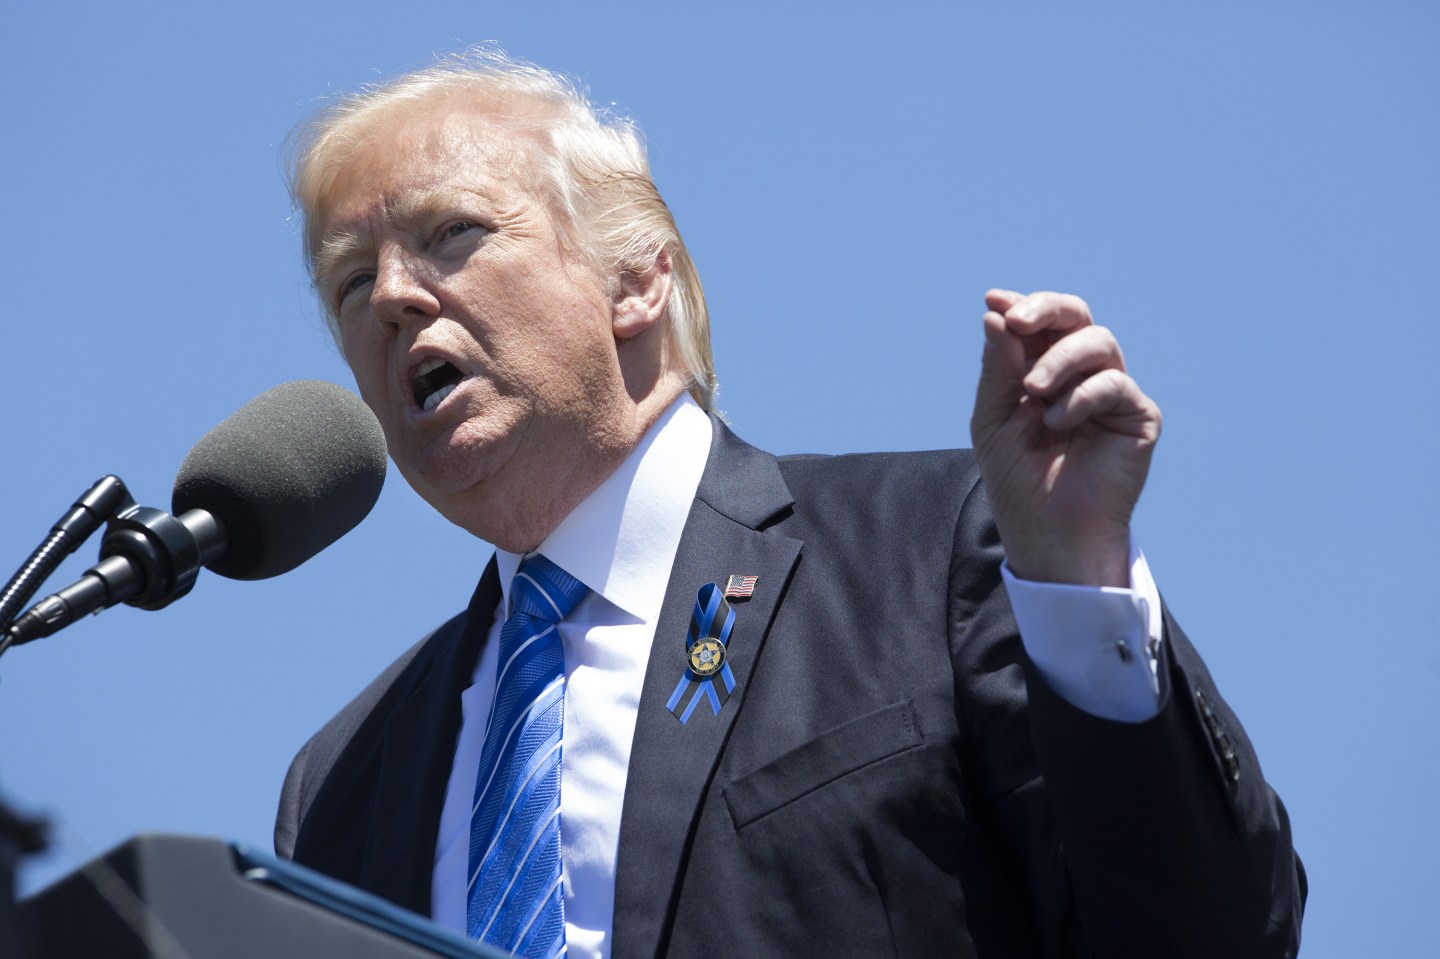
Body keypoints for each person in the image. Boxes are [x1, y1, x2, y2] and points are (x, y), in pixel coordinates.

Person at [274, 50, 1303, 959]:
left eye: (452, 231)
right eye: (352, 282)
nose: (394, 295)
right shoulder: (338, 784)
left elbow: (1210, 933)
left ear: (636, 281)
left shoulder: (936, 547)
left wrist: (1077, 585)